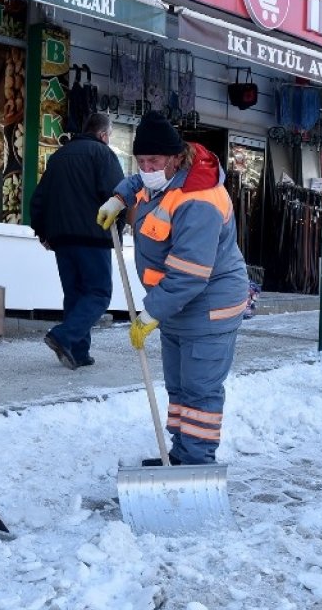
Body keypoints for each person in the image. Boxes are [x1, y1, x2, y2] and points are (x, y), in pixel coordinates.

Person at [94, 111, 248, 466]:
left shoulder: (200, 200)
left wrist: (151, 314)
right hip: (176, 306)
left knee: (200, 391)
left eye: (154, 161)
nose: (146, 167)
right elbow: (139, 183)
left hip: (208, 307)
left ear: (176, 158)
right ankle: (181, 454)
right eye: (141, 160)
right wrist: (119, 198)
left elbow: (190, 274)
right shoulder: (162, 180)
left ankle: (196, 464)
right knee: (179, 388)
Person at [30, 113, 126, 369]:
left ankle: (79, 352)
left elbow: (39, 199)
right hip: (93, 237)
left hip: (62, 239)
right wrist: (121, 226)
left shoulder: (59, 157)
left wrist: (43, 233)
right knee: (98, 294)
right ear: (103, 135)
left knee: (75, 295)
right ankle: (62, 336)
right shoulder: (103, 155)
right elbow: (119, 194)